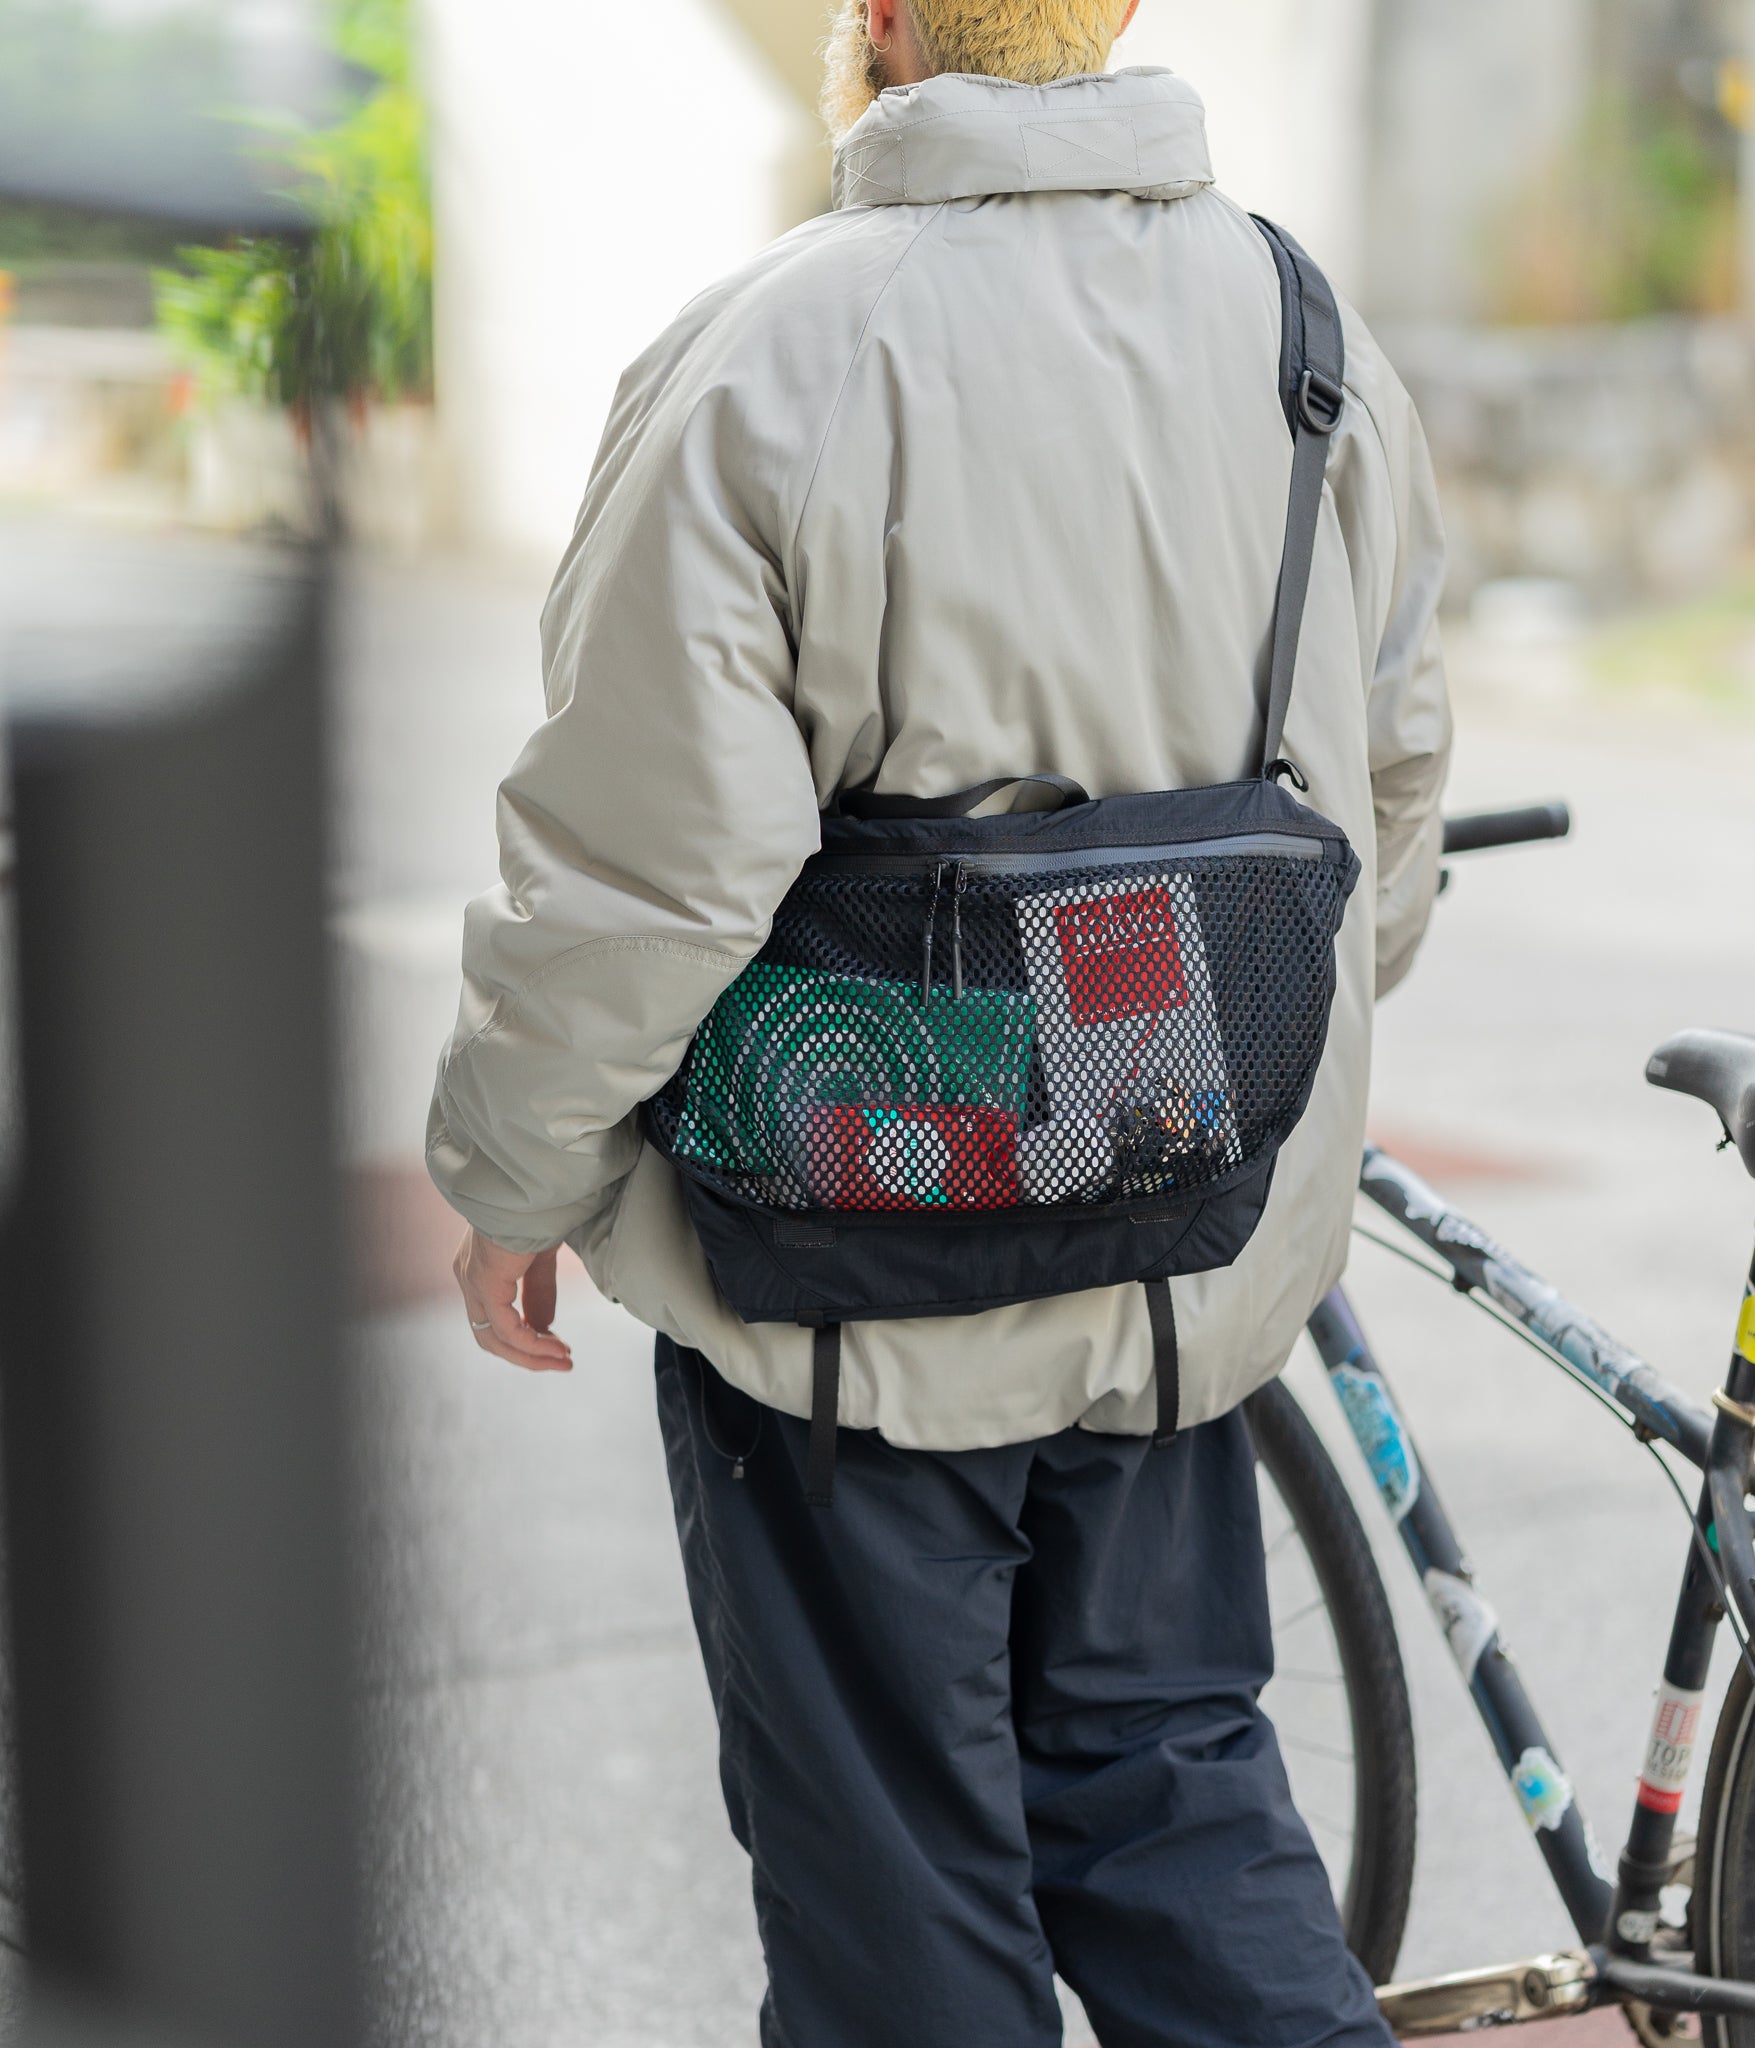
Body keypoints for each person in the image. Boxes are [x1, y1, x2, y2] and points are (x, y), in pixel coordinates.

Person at [427, 2, 1451, 2041]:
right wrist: (1209, 1082)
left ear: (878, 26)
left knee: (897, 1905)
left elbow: (649, 871)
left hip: (850, 1268)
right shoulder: (1302, 331)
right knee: (1172, 1799)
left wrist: (513, 1172)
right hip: (1170, 1216)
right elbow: (1387, 793)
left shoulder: (770, 353)